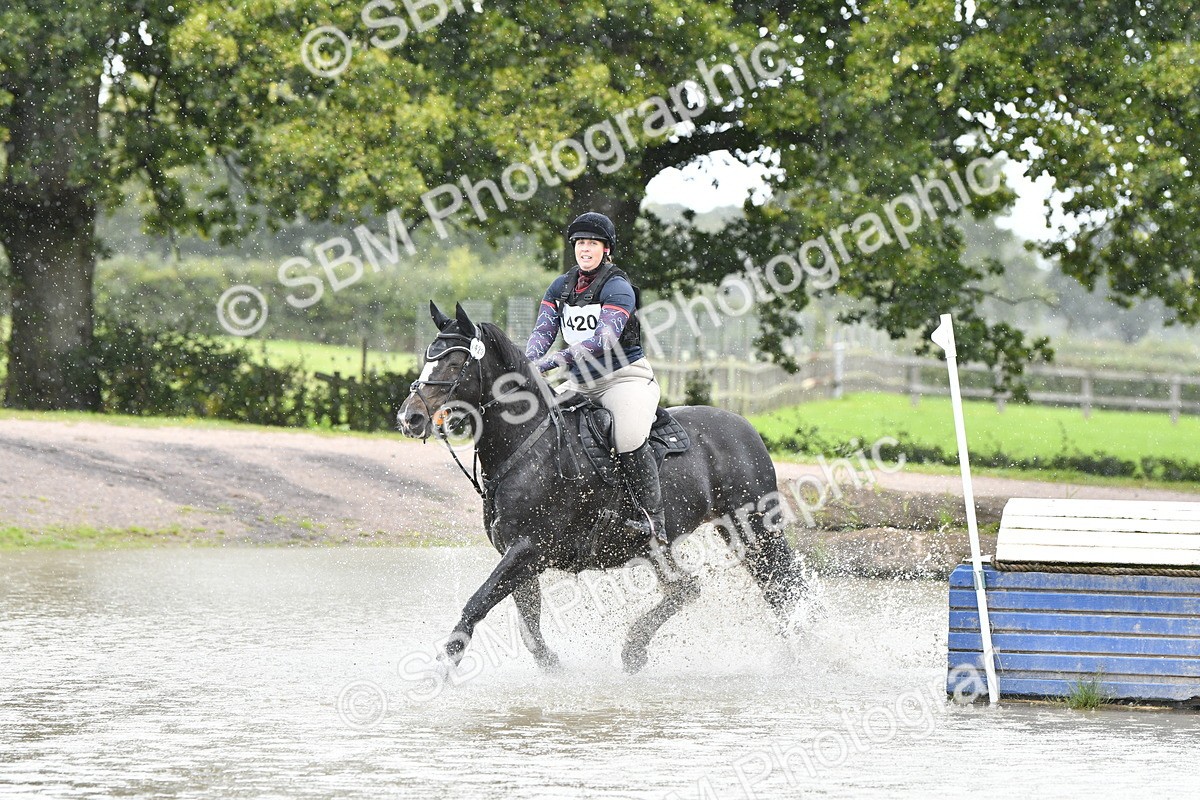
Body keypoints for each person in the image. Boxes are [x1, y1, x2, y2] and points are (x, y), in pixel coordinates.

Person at [525, 211, 666, 543]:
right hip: (580, 383)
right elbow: (542, 333)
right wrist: (525, 361)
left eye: (592, 244)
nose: (584, 250)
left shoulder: (619, 287)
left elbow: (603, 340)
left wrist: (554, 361)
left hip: (624, 379)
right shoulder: (561, 286)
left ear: (606, 249)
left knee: (628, 437)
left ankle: (653, 519)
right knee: (541, 425)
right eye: (580, 244)